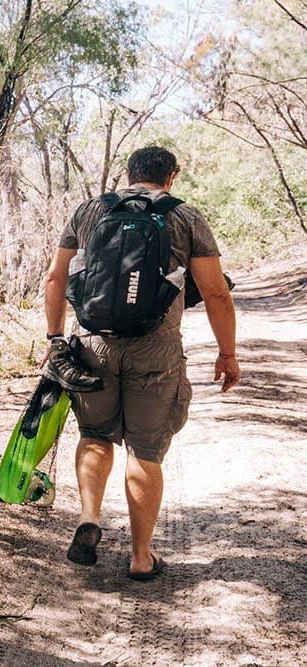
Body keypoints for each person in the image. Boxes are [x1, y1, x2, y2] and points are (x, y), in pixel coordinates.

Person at [43, 146, 239, 580]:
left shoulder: (91, 211)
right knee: (145, 448)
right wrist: (227, 353)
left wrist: (56, 337)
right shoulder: (185, 217)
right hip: (156, 349)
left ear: (128, 174)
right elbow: (216, 293)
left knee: (95, 434)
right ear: (172, 176)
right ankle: (140, 557)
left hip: (93, 344)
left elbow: (57, 277)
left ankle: (89, 517)